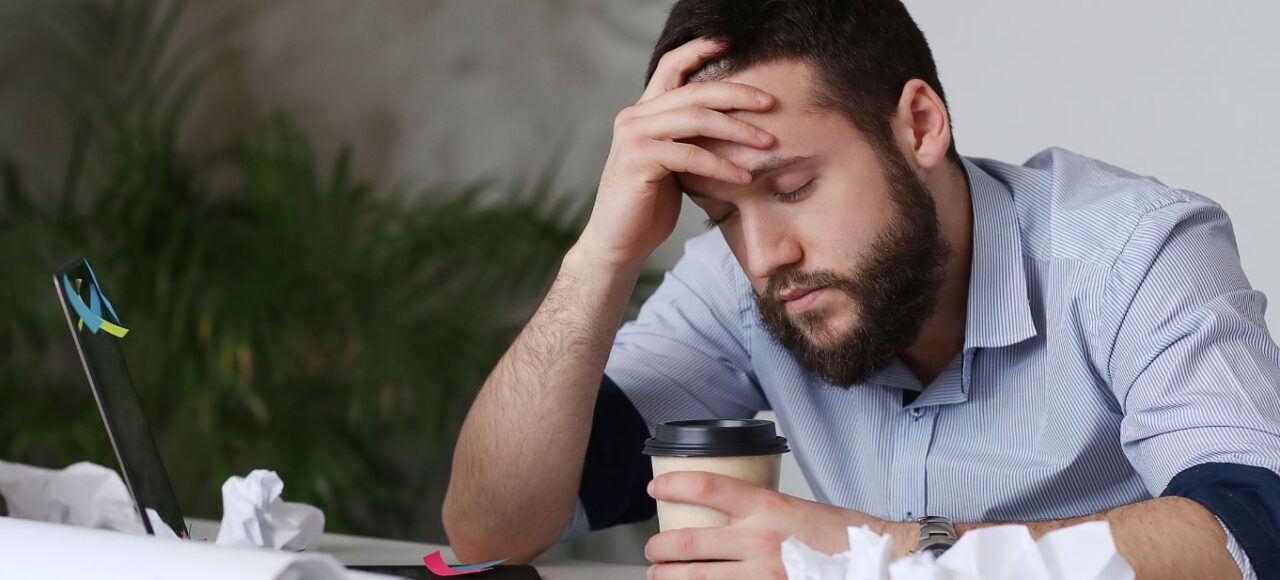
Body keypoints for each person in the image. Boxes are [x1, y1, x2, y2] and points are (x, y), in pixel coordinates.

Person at [442, 1, 1280, 578]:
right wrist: (602, 254)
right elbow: (493, 528)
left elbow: (1255, 532)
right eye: (723, 214)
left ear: (919, 126)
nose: (766, 253)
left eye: (794, 187)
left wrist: (875, 553)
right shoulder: (741, 288)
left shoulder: (1131, 254)